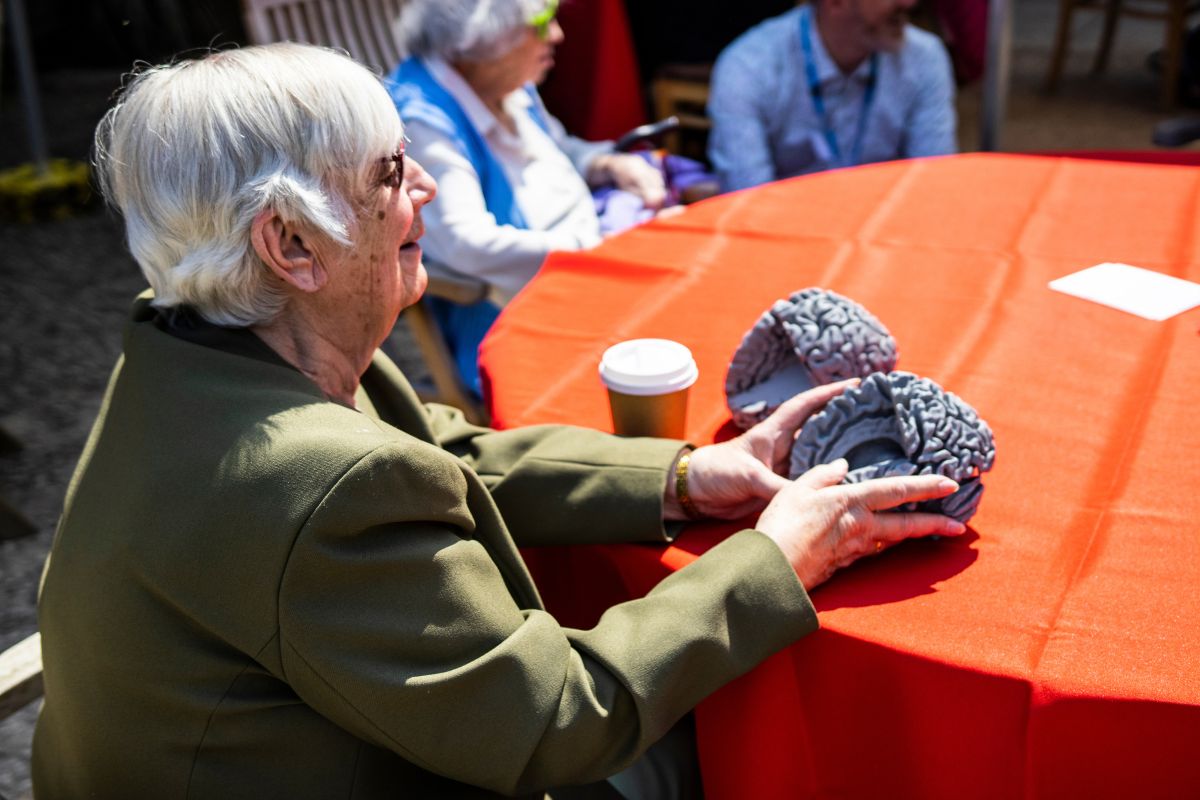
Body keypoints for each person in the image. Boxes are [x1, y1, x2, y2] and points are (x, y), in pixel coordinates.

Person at [32, 42, 966, 799]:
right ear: (290, 243)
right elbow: (555, 723)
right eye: (392, 173)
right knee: (729, 751)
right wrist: (776, 559)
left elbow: (447, 450)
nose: (426, 193)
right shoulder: (318, 486)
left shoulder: (196, 343)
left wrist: (680, 477)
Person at [388, 0, 669, 394]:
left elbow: (556, 148)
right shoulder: (423, 121)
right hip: (516, 314)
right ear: (482, 41)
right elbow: (466, 244)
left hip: (588, 271)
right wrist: (595, 251)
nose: (557, 35)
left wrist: (606, 164)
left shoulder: (504, 83)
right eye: (540, 22)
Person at [707, 0, 958, 191]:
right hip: (783, 239)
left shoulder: (924, 59)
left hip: (885, 240)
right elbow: (748, 200)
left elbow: (932, 189)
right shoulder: (749, 67)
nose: (909, 3)